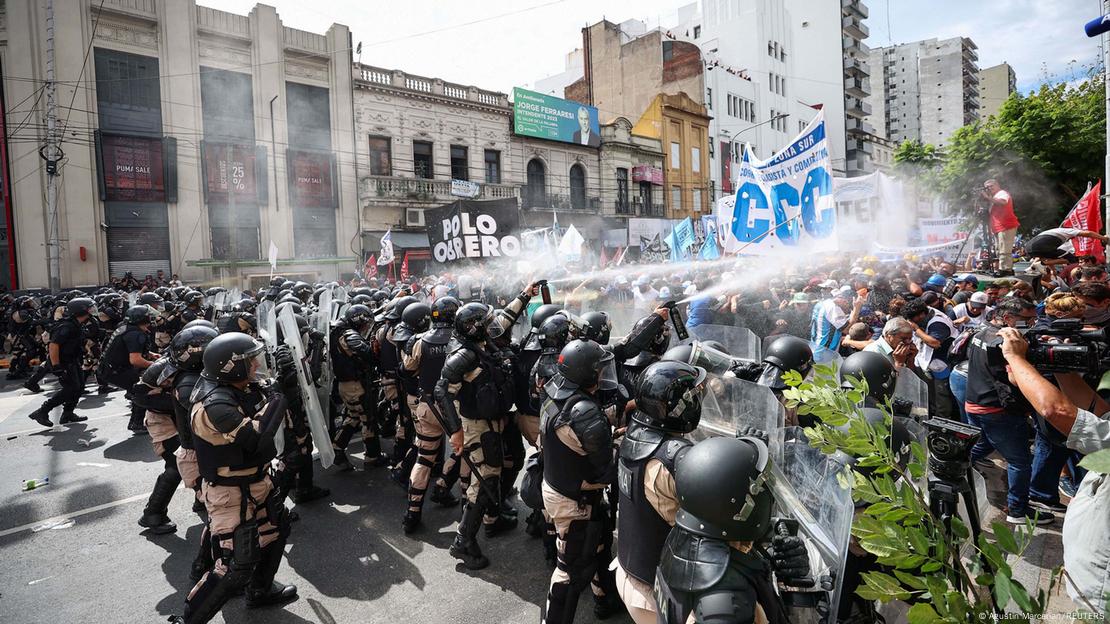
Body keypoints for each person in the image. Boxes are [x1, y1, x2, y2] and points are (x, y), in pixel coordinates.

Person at [170, 333, 297, 624]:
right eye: (250, 361)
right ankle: (188, 620)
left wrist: (283, 380)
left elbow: (262, 401)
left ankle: (260, 590)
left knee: (276, 531)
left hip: (257, 480)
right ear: (231, 367)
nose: (255, 366)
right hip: (230, 492)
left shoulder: (239, 387)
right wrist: (280, 396)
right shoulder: (214, 405)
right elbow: (254, 437)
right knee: (234, 564)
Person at [996, 328, 1110, 614]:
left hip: (1100, 596)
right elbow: (1100, 411)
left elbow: (1058, 412)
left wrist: (1016, 359)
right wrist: (1057, 367)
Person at [654, 435, 789, 624]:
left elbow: (741, 559)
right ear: (740, 508)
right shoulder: (724, 602)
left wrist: (778, 561)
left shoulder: (687, 537)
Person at [614, 360, 705, 624]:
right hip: (659, 593)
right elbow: (716, 521)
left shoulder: (634, 435)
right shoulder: (674, 459)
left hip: (630, 570)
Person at [540, 339, 623, 622]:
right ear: (587, 373)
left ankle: (604, 598)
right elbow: (605, 472)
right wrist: (624, 449)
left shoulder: (556, 392)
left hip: (561, 487)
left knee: (597, 546)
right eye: (599, 368)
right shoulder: (584, 411)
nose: (603, 373)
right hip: (574, 501)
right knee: (571, 571)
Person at [437, 302, 517, 570]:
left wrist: (524, 297)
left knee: (488, 478)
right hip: (476, 427)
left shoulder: (479, 344)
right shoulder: (463, 355)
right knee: (484, 481)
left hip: (489, 421)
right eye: (488, 322)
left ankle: (481, 526)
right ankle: (464, 541)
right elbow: (442, 392)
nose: (493, 326)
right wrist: (456, 432)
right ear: (475, 327)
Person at [964, 297, 1054, 525]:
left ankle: (957, 468)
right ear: (1007, 318)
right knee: (1019, 462)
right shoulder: (1003, 344)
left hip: (975, 403)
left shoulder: (981, 333)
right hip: (996, 410)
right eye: (1027, 319)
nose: (1032, 323)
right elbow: (1014, 380)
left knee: (984, 443)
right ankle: (1017, 510)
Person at [399, 296, 462, 534]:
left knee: (424, 458)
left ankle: (412, 514)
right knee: (462, 452)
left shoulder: (419, 340)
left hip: (426, 405)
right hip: (454, 408)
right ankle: (445, 488)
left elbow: (407, 369)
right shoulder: (461, 341)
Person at [26, 297, 95, 427]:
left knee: (79, 387)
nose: (92, 311)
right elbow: (54, 346)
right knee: (70, 388)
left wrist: (87, 353)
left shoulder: (77, 324)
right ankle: (42, 411)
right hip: (63, 362)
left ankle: (68, 413)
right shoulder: (66, 326)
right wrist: (57, 366)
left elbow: (79, 342)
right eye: (89, 308)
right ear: (81, 311)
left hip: (73, 360)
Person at [330, 304, 383, 469]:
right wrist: (375, 352)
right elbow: (366, 354)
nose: (366, 327)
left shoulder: (337, 332)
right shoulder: (348, 335)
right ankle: (372, 457)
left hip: (346, 385)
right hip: (355, 386)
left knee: (353, 418)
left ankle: (337, 450)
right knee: (368, 420)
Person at [99, 305, 157, 433]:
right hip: (115, 370)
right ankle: (136, 423)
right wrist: (155, 365)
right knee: (141, 390)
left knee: (137, 388)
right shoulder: (135, 334)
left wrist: (151, 355)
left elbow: (128, 350)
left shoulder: (125, 328)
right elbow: (135, 360)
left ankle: (135, 411)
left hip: (110, 368)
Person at [981, 179, 1020, 274]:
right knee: (999, 250)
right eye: (987, 187)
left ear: (997, 185)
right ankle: (1003, 269)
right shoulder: (993, 197)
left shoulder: (1002, 193)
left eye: (991, 186)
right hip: (998, 227)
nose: (989, 189)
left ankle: (1006, 270)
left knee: (1004, 249)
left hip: (1006, 225)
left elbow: (1003, 202)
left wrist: (988, 197)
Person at [810, 285, 864, 353]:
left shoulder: (823, 303)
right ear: (845, 302)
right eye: (849, 307)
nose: (847, 310)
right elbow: (847, 330)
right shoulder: (833, 308)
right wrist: (857, 309)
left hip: (816, 347)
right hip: (825, 351)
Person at [1025, 227, 1109, 264]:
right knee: (1071, 258)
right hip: (1040, 246)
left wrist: (1053, 270)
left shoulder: (1053, 232)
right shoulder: (1066, 231)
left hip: (1028, 248)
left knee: (1048, 258)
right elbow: (1088, 233)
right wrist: (1104, 238)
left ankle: (1043, 263)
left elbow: (1047, 255)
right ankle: (1044, 263)